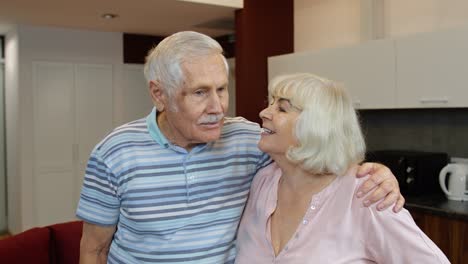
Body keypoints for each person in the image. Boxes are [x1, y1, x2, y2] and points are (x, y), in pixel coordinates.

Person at [77, 32, 404, 264]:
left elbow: (312, 156)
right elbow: (94, 250)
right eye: (200, 93)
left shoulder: (250, 141)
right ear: (159, 94)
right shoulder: (114, 154)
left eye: (221, 89)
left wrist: (374, 174)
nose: (217, 107)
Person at [235, 73, 450, 264]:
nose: (263, 112)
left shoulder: (366, 195)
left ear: (316, 127)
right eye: (270, 103)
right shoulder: (262, 182)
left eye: (281, 108)